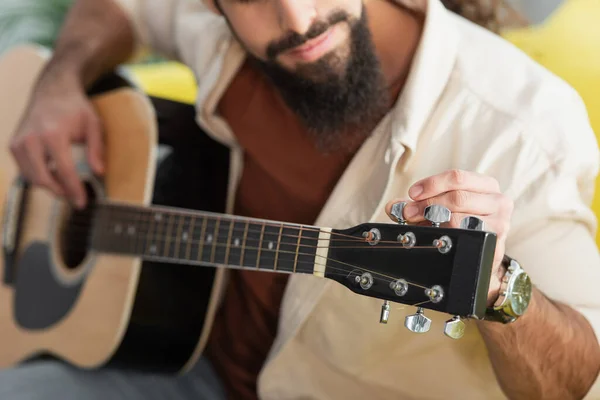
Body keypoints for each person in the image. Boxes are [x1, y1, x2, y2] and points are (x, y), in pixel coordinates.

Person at [3, 0, 600, 399]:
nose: (298, 19)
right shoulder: (218, 32)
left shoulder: (520, 128)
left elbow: (578, 378)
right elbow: (121, 7)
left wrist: (499, 291)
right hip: (185, 364)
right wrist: (60, 80)